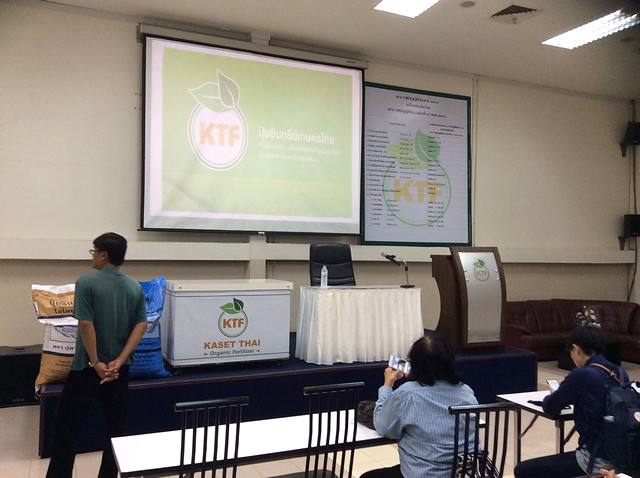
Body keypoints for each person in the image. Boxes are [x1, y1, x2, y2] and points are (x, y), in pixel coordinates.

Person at [46, 233, 148, 478]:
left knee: (66, 425)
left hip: (87, 367)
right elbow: (141, 325)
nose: (92, 256)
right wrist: (120, 360)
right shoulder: (134, 287)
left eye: (94, 251)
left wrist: (95, 362)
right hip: (118, 370)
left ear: (104, 254)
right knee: (115, 428)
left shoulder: (86, 282)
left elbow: (85, 324)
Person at [514, 321, 629, 478]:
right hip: (623, 459)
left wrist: (555, 394)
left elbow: (551, 407)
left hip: (594, 460)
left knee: (522, 470)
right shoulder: (620, 373)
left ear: (576, 349)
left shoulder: (581, 374)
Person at [360, 334, 478, 478]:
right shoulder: (466, 391)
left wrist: (387, 384)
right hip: (466, 472)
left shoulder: (408, 393)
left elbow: (384, 428)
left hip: (425, 473)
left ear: (414, 363)